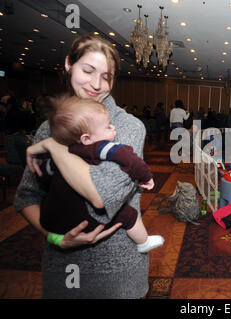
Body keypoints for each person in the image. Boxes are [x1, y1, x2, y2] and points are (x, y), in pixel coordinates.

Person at [14, 34, 149, 298]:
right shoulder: (46, 129)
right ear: (68, 65)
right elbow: (27, 197)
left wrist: (55, 146)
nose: (96, 84)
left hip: (117, 270)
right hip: (61, 266)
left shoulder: (126, 126)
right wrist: (56, 239)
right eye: (88, 70)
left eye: (107, 76)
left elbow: (101, 195)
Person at [37, 95, 164, 253]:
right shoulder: (100, 147)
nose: (113, 128)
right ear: (87, 138)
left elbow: (42, 176)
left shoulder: (60, 154)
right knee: (128, 213)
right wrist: (146, 177)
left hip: (53, 221)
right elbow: (130, 159)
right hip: (85, 220)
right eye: (108, 126)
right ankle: (143, 242)